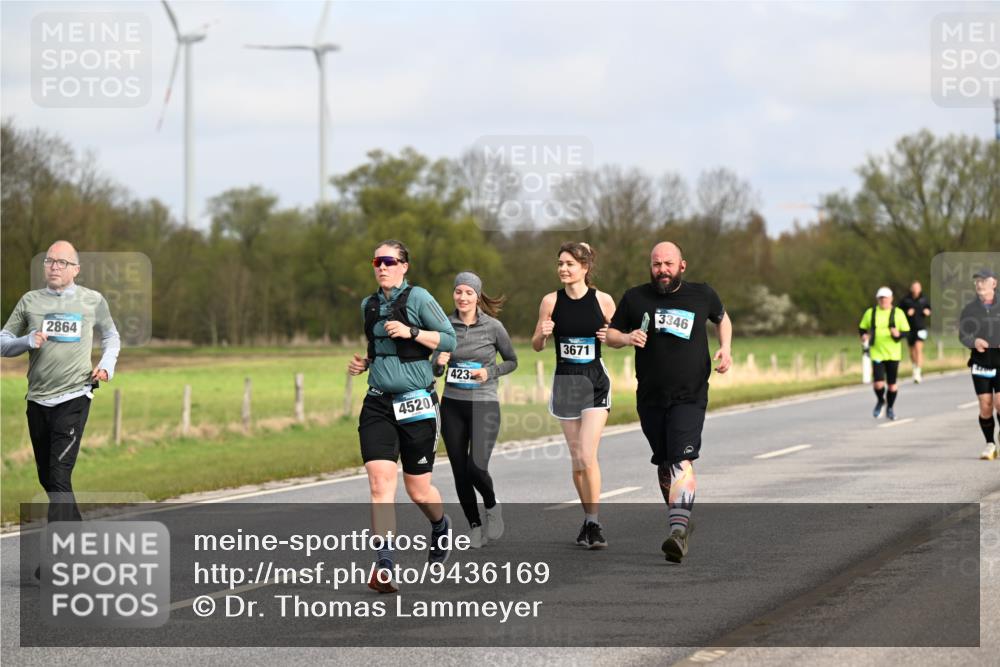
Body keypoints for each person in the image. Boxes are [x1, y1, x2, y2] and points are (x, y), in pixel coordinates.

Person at [606, 242, 731, 564]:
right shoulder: (635, 298)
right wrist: (628, 337)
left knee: (680, 459)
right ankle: (682, 520)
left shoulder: (701, 294)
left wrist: (725, 348)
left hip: (690, 394)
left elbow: (722, 318)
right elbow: (611, 335)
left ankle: (677, 530)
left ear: (682, 266)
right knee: (664, 462)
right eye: (657, 264)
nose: (662, 269)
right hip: (649, 396)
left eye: (668, 264)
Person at [347, 240, 457, 593]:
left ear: (404, 266)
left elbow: (449, 340)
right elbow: (377, 347)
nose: (382, 266)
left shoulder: (420, 298)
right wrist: (365, 363)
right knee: (380, 485)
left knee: (418, 489)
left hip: (417, 403)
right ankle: (385, 565)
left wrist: (412, 332)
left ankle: (440, 526)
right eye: (377, 261)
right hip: (379, 402)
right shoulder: (369, 304)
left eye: (389, 261)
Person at [0, 241, 121, 530]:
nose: (54, 266)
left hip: (74, 397)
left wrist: (106, 366)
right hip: (37, 400)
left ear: (76, 270)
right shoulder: (29, 301)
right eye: (49, 261)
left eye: (62, 262)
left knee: (58, 476)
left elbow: (111, 336)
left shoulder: (92, 300)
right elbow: (3, 343)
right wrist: (27, 341)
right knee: (48, 478)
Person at [531, 242, 617, 549]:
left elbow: (620, 337)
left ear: (585, 268)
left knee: (585, 454)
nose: (563, 269)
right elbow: (536, 345)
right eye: (560, 264)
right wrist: (543, 332)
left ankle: (594, 522)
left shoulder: (603, 301)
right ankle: (588, 520)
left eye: (569, 263)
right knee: (576, 460)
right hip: (565, 382)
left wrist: (613, 337)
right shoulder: (550, 301)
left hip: (594, 382)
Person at [432, 272, 518, 548]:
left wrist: (489, 371)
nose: (463, 297)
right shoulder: (444, 326)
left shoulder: (493, 327)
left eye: (469, 292)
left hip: (484, 403)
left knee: (476, 467)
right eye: (458, 292)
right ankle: (474, 525)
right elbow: (434, 369)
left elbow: (512, 361)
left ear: (478, 296)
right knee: (459, 470)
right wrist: (439, 362)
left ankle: (492, 507)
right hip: (453, 405)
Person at [958, 268, 1000, 461]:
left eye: (984, 280)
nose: (979, 284)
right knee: (986, 406)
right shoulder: (969, 310)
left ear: (994, 283)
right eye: (977, 281)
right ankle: (990, 444)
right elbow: (963, 335)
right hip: (980, 362)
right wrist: (974, 342)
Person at [859, 287, 911, 421]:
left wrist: (898, 334)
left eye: (886, 298)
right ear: (877, 299)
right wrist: (864, 336)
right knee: (878, 384)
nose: (883, 300)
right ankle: (880, 401)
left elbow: (906, 331)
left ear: (891, 299)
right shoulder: (871, 313)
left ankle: (890, 408)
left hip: (893, 354)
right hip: (877, 352)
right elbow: (862, 327)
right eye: (881, 298)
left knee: (892, 385)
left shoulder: (898, 313)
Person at [900, 281, 931, 383]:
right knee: (911, 351)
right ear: (911, 289)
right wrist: (906, 313)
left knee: (918, 349)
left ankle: (918, 372)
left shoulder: (924, 299)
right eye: (914, 287)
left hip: (920, 328)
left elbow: (929, 309)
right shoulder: (906, 300)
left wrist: (927, 312)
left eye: (918, 287)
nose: (916, 289)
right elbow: (898, 312)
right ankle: (914, 367)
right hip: (909, 328)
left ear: (920, 289)